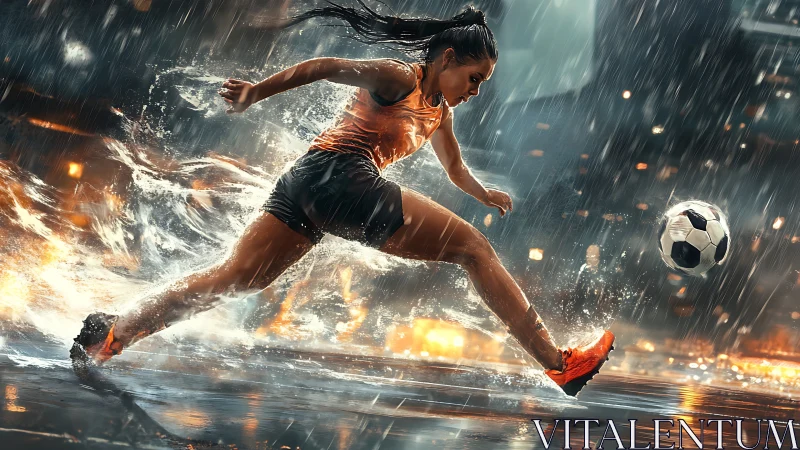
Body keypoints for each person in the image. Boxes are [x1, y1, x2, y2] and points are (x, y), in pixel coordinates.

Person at [71, 2, 614, 397]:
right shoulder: (398, 78)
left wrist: (484, 193)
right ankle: (557, 362)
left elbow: (454, 168)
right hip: (340, 177)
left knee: (235, 278)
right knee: (473, 250)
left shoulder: (440, 114)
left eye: (483, 84)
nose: (475, 91)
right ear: (447, 58)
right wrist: (257, 92)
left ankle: (114, 333)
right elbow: (326, 67)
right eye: (474, 78)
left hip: (306, 183)